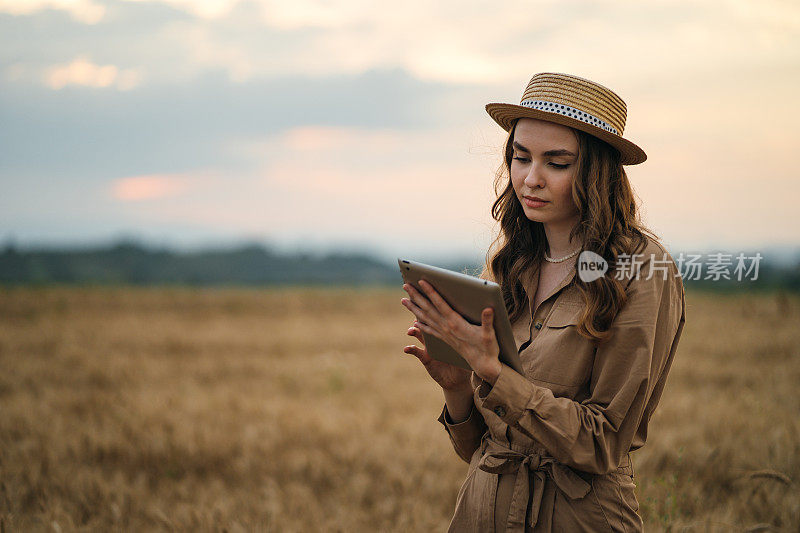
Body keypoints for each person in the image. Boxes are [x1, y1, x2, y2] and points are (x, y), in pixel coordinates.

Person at [400, 72, 686, 532]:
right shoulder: (510, 263)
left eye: (556, 162)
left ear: (596, 170)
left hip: (578, 518)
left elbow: (602, 445)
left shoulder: (640, 269)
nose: (530, 179)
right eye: (520, 157)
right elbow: (482, 450)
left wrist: (493, 372)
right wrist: (456, 387)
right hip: (481, 514)